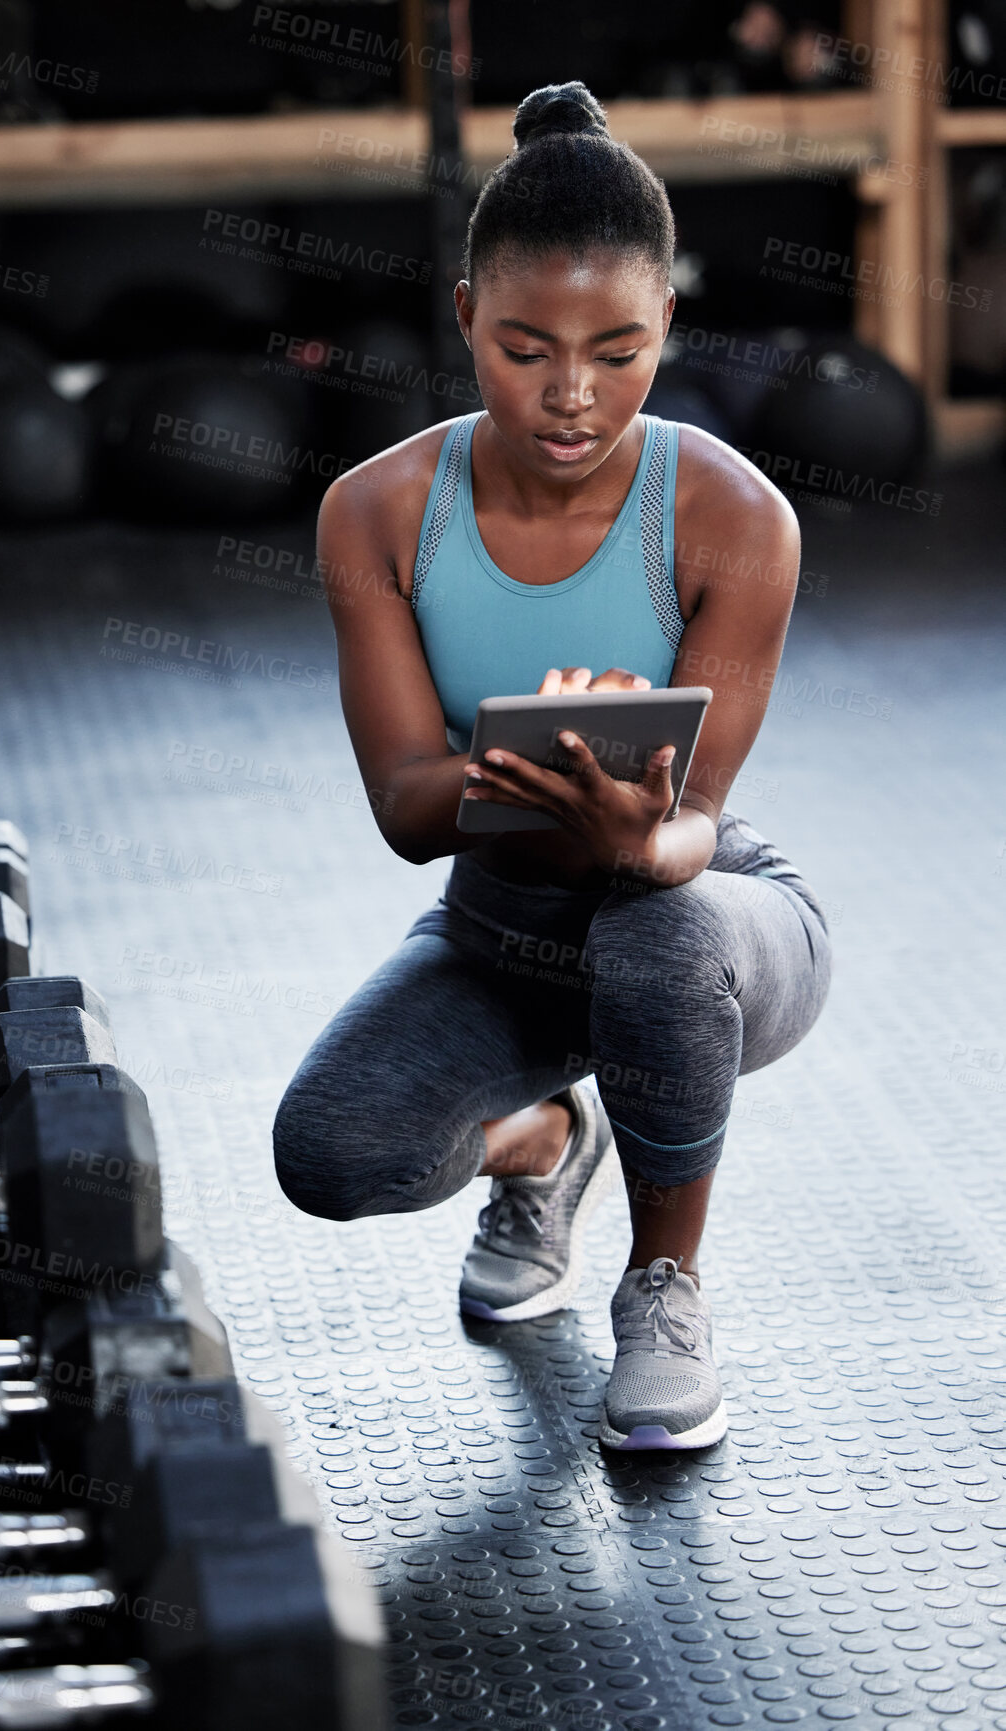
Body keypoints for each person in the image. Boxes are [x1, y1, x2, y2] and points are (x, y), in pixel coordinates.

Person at [273, 81, 832, 1451]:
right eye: (525, 348)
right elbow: (409, 806)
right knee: (332, 1155)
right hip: (500, 928)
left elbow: (694, 821)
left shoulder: (736, 517)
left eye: (619, 350)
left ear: (667, 331)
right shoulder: (379, 511)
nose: (572, 394)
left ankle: (665, 1284)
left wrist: (633, 836)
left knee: (652, 934)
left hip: (712, 918)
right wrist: (529, 778)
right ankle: (542, 1142)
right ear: (465, 315)